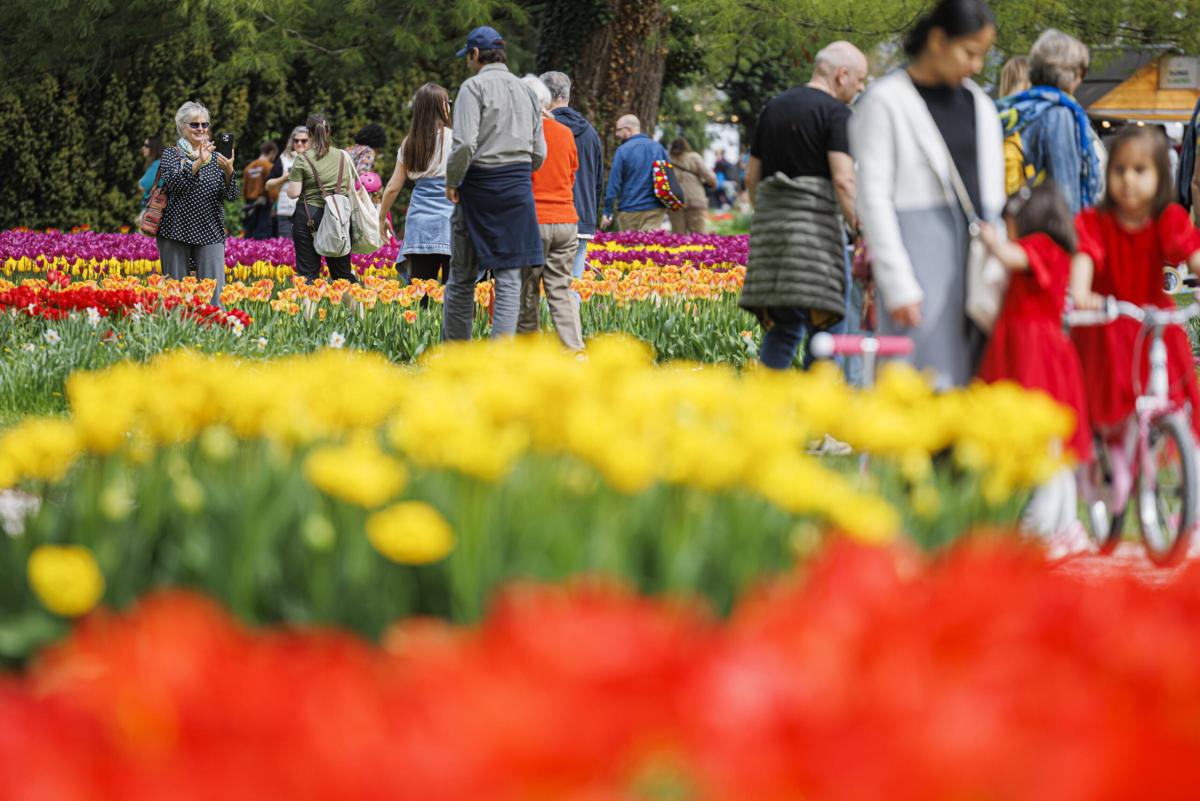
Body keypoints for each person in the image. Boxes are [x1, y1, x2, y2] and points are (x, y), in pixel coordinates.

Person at [851, 0, 1002, 390]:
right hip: (920, 259)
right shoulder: (886, 101)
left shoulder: (981, 105)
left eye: (982, 55)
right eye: (970, 52)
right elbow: (874, 197)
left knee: (980, 379)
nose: (976, 66)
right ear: (938, 40)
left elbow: (994, 192)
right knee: (922, 383)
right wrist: (897, 281)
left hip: (979, 262)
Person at [740, 41, 868, 370]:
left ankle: (765, 411)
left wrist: (770, 214)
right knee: (828, 329)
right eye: (860, 79)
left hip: (774, 241)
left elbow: (752, 177)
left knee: (784, 329)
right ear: (842, 75)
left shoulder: (773, 107)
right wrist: (861, 228)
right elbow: (843, 180)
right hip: (817, 240)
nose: (861, 87)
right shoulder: (837, 113)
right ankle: (820, 412)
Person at [976, 182, 1093, 541]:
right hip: (1044, 350)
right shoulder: (1060, 250)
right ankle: (1065, 526)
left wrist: (990, 240)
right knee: (1057, 451)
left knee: (1043, 446)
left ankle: (1038, 529)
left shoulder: (1040, 246)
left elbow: (1012, 257)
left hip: (1030, 352)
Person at [1072, 126, 1200, 453]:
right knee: (1110, 406)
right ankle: (1112, 462)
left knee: (1171, 393)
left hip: (1152, 320)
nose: (1128, 179)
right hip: (1109, 323)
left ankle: (1172, 469)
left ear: (1160, 176)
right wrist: (1081, 291)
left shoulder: (1166, 219)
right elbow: (1085, 255)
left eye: (1140, 170)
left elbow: (1189, 252)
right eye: (1120, 169)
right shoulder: (1097, 222)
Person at [444, 26, 546, 341]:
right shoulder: (527, 90)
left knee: (462, 277)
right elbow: (539, 151)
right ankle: (501, 356)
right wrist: (517, 174)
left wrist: (453, 180)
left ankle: (456, 354)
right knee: (510, 276)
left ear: (476, 54)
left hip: (478, 187)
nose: (467, 64)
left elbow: (463, 145)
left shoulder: (472, 88)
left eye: (468, 57)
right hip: (517, 189)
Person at [997, 29, 1103, 213]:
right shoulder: (1059, 114)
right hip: (1048, 228)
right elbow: (1065, 193)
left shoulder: (1018, 107)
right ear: (1071, 72)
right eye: (1083, 72)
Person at [516, 75, 584, 351]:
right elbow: (571, 175)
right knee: (561, 289)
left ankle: (528, 350)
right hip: (566, 219)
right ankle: (575, 350)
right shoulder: (565, 133)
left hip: (534, 221)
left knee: (527, 290)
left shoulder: (521, 133)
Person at [155, 101, 238, 305]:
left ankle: (216, 332)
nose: (201, 129)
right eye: (194, 124)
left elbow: (232, 195)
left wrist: (229, 171)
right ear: (182, 127)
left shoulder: (219, 158)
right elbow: (176, 184)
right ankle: (177, 333)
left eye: (205, 124)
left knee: (214, 295)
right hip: (175, 231)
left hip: (210, 231)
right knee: (176, 296)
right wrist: (199, 161)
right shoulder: (171, 154)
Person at [379, 83, 455, 293]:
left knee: (420, 293)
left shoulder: (410, 143)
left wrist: (381, 217)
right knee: (454, 295)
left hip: (420, 225)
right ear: (442, 107)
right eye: (448, 103)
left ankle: (422, 327)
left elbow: (393, 187)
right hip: (451, 223)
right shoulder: (456, 139)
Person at [541, 70, 604, 284]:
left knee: (540, 287)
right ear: (567, 96)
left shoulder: (541, 129)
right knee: (572, 287)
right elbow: (598, 181)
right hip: (581, 218)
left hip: (546, 216)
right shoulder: (590, 133)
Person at [285, 112, 358, 284]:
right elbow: (349, 188)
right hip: (338, 217)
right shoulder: (343, 156)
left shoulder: (303, 159)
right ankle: (359, 310)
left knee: (308, 275)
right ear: (329, 131)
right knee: (342, 274)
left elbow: (294, 192)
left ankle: (308, 311)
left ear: (309, 134)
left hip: (309, 217)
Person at [602, 114, 670, 232]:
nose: (617, 134)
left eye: (619, 130)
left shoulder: (623, 150)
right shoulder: (658, 148)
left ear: (628, 129)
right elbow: (669, 177)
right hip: (654, 209)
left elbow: (614, 183)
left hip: (629, 210)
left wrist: (608, 210)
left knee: (630, 248)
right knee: (650, 248)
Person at [265, 126, 308, 240]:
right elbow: (268, 185)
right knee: (286, 249)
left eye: (304, 141)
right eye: (296, 140)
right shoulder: (284, 159)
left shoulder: (316, 160)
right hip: (286, 213)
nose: (299, 143)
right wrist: (285, 178)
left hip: (309, 213)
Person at [667, 137, 716, 234]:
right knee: (698, 234)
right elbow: (710, 177)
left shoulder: (667, 160)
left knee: (677, 236)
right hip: (695, 199)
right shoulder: (694, 157)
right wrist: (713, 184)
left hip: (675, 201)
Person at [242, 140, 278, 240]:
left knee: (249, 236)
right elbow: (272, 189)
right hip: (264, 205)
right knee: (263, 237)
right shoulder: (269, 166)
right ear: (272, 152)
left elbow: (244, 190)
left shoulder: (248, 168)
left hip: (250, 206)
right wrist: (275, 201)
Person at [138, 137, 164, 209]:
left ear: (153, 148)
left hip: (152, 209)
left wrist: (140, 182)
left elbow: (143, 185)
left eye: (146, 146)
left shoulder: (157, 165)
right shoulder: (160, 163)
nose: (143, 148)